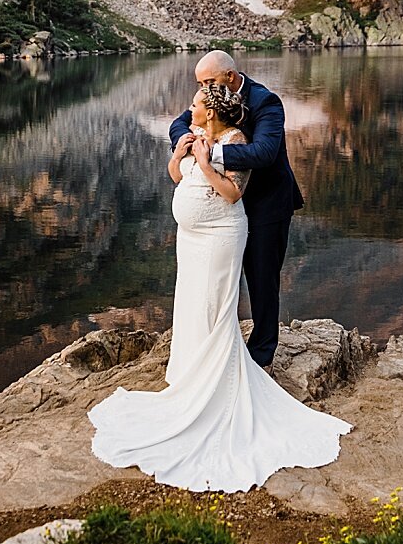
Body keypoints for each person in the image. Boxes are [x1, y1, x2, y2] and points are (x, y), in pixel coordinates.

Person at [88, 78, 349, 491]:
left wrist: (207, 162)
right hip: (192, 239)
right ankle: (191, 372)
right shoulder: (196, 129)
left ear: (211, 107)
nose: (187, 107)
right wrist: (181, 152)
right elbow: (177, 173)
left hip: (221, 234)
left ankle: (228, 376)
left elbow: (232, 191)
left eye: (195, 100)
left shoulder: (247, 130)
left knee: (218, 302)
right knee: (191, 303)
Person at [165, 50, 303, 367]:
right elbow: (179, 122)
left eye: (209, 81)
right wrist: (184, 140)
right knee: (220, 283)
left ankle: (262, 354)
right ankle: (219, 348)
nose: (203, 89)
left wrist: (211, 155)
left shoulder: (265, 102)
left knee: (262, 279)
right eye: (200, 83)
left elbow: (264, 152)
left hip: (266, 204)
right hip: (220, 217)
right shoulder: (209, 101)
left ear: (230, 76)